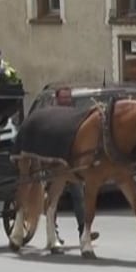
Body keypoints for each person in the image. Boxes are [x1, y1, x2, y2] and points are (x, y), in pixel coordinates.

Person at [51, 86, 98, 243]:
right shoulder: (52, 115)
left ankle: (83, 232)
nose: (66, 100)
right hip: (53, 163)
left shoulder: (76, 115)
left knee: (78, 196)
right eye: (63, 98)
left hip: (71, 164)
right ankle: (53, 232)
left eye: (68, 97)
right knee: (53, 199)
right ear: (56, 99)